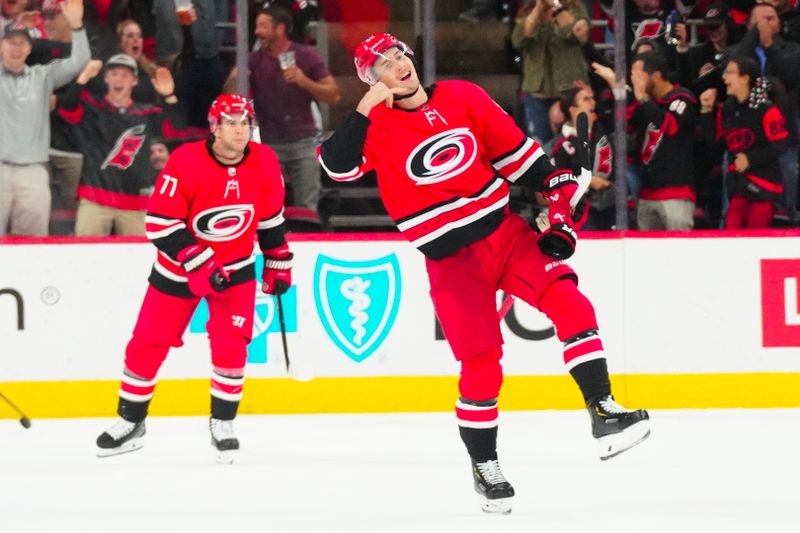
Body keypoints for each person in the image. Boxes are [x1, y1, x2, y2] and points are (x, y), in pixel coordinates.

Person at [318, 33, 650, 515]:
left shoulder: (462, 96)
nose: (398, 66)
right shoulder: (374, 124)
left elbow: (524, 162)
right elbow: (336, 166)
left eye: (400, 56)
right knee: (481, 363)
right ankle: (485, 465)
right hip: (451, 263)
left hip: (505, 236)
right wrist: (367, 106)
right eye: (384, 65)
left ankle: (602, 408)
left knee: (570, 302)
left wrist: (558, 188)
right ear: (373, 81)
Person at [95, 94, 292, 463]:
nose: (239, 129)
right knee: (147, 343)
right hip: (177, 271)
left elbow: (269, 218)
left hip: (235, 270)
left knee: (231, 347)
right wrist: (199, 262)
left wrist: (278, 261)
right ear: (214, 126)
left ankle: (223, 423)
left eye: (244, 122)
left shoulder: (265, 160)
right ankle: (131, 422)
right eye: (231, 122)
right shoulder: (185, 160)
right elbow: (160, 224)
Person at [224, 5, 340, 215]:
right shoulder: (254, 59)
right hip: (269, 144)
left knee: (308, 205)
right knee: (267, 205)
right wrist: (234, 80)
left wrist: (304, 81)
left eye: (263, 26)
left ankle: (308, 236)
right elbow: (229, 101)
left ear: (280, 29)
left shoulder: (305, 56)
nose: (257, 31)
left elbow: (333, 95)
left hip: (303, 141)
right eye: (257, 26)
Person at [56, 53, 187, 236]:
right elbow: (67, 111)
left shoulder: (146, 111)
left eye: (125, 75)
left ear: (134, 81)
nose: (119, 79)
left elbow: (177, 129)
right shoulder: (92, 106)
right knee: (85, 256)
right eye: (114, 73)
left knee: (140, 259)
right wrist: (83, 78)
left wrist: (169, 96)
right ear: (106, 78)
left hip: (135, 201)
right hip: (95, 196)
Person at [0, 0, 89, 237]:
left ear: (30, 49)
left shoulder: (43, 77)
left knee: (31, 245)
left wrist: (77, 26)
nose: (16, 48)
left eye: (22, 43)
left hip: (34, 172)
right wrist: (17, 23)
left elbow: (80, 61)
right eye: (10, 43)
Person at [629, 51, 698, 230]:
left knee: (679, 252)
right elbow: (626, 127)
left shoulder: (682, 97)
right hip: (647, 193)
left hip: (676, 191)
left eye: (639, 75)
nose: (635, 81)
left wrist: (643, 99)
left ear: (656, 75)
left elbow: (670, 127)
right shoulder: (644, 103)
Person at [718, 55, 788, 228]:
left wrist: (751, 159)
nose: (724, 77)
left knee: (754, 234)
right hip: (738, 183)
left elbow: (781, 144)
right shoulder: (728, 108)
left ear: (744, 78)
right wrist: (705, 111)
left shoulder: (767, 110)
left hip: (764, 183)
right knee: (731, 232)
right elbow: (717, 142)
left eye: (729, 72)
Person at [511, 0, 590, 144]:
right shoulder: (527, 11)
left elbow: (575, 32)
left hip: (570, 90)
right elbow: (519, 39)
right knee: (539, 146)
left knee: (574, 143)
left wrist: (555, 5)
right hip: (538, 92)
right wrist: (538, 8)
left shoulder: (575, 8)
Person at [551, 86, 615, 230]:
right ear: (572, 110)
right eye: (586, 99)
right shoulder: (562, 146)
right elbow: (555, 185)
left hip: (612, 204)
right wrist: (585, 181)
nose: (593, 103)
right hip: (584, 211)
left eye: (592, 98)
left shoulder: (601, 126)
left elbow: (620, 114)